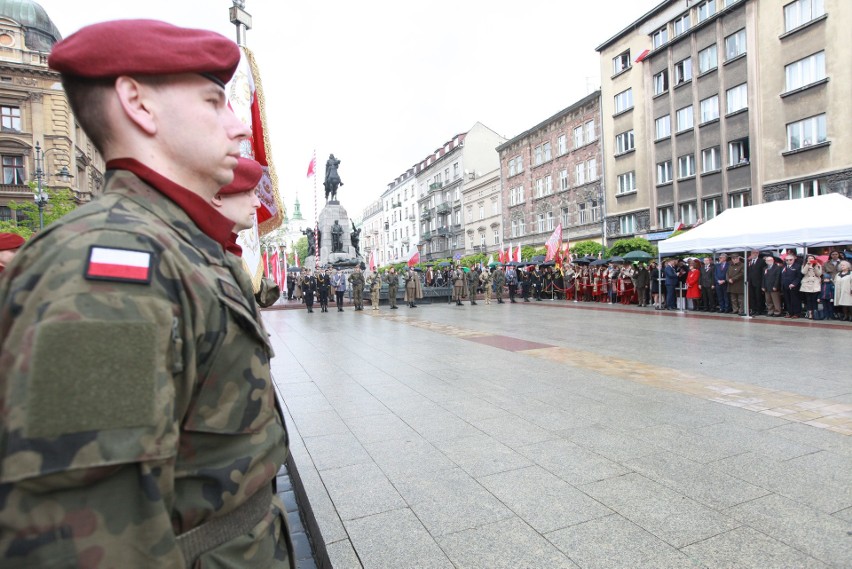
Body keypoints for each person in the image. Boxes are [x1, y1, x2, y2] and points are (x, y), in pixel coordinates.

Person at [0, 20, 293, 567]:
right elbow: (85, 536)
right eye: (214, 102)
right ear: (138, 103)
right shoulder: (104, 269)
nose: (238, 128)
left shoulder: (179, 245)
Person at [212, 156, 280, 308]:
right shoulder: (207, 256)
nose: (257, 203)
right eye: (248, 193)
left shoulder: (227, 252)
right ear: (217, 196)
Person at [780, 252, 803, 318]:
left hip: (794, 286)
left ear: (793, 260)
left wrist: (794, 284)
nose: (788, 261)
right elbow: (782, 276)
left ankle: (796, 313)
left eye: (790, 260)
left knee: (795, 300)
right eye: (787, 260)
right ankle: (790, 312)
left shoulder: (797, 266)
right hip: (785, 286)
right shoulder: (784, 267)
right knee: (787, 300)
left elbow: (799, 277)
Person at [800, 254, 822, 319]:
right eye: (809, 258)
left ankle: (815, 313)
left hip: (815, 283)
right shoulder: (804, 265)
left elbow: (819, 274)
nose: (810, 259)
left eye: (812, 258)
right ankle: (810, 313)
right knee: (808, 299)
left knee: (814, 299)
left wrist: (815, 266)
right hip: (807, 283)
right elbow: (803, 272)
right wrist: (808, 265)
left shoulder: (818, 265)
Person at [746, 250, 765, 315]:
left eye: (755, 253)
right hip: (750, 282)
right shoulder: (749, 261)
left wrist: (762, 283)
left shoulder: (761, 261)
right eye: (753, 253)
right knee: (752, 296)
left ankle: (759, 310)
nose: (754, 254)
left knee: (758, 297)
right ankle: (753, 309)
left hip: (758, 282)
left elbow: (763, 272)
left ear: (758, 253)